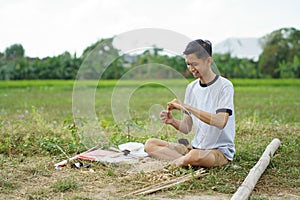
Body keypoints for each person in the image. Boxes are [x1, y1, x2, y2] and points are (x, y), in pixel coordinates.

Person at [144, 39, 235, 167]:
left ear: (209, 61)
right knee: (150, 144)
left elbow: (220, 122)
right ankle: (183, 161)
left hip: (218, 152)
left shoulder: (224, 86)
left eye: (195, 64)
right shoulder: (192, 88)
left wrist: (187, 107)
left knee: (194, 156)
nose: (191, 69)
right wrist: (172, 121)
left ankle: (173, 163)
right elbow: (186, 127)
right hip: (194, 148)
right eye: (188, 64)